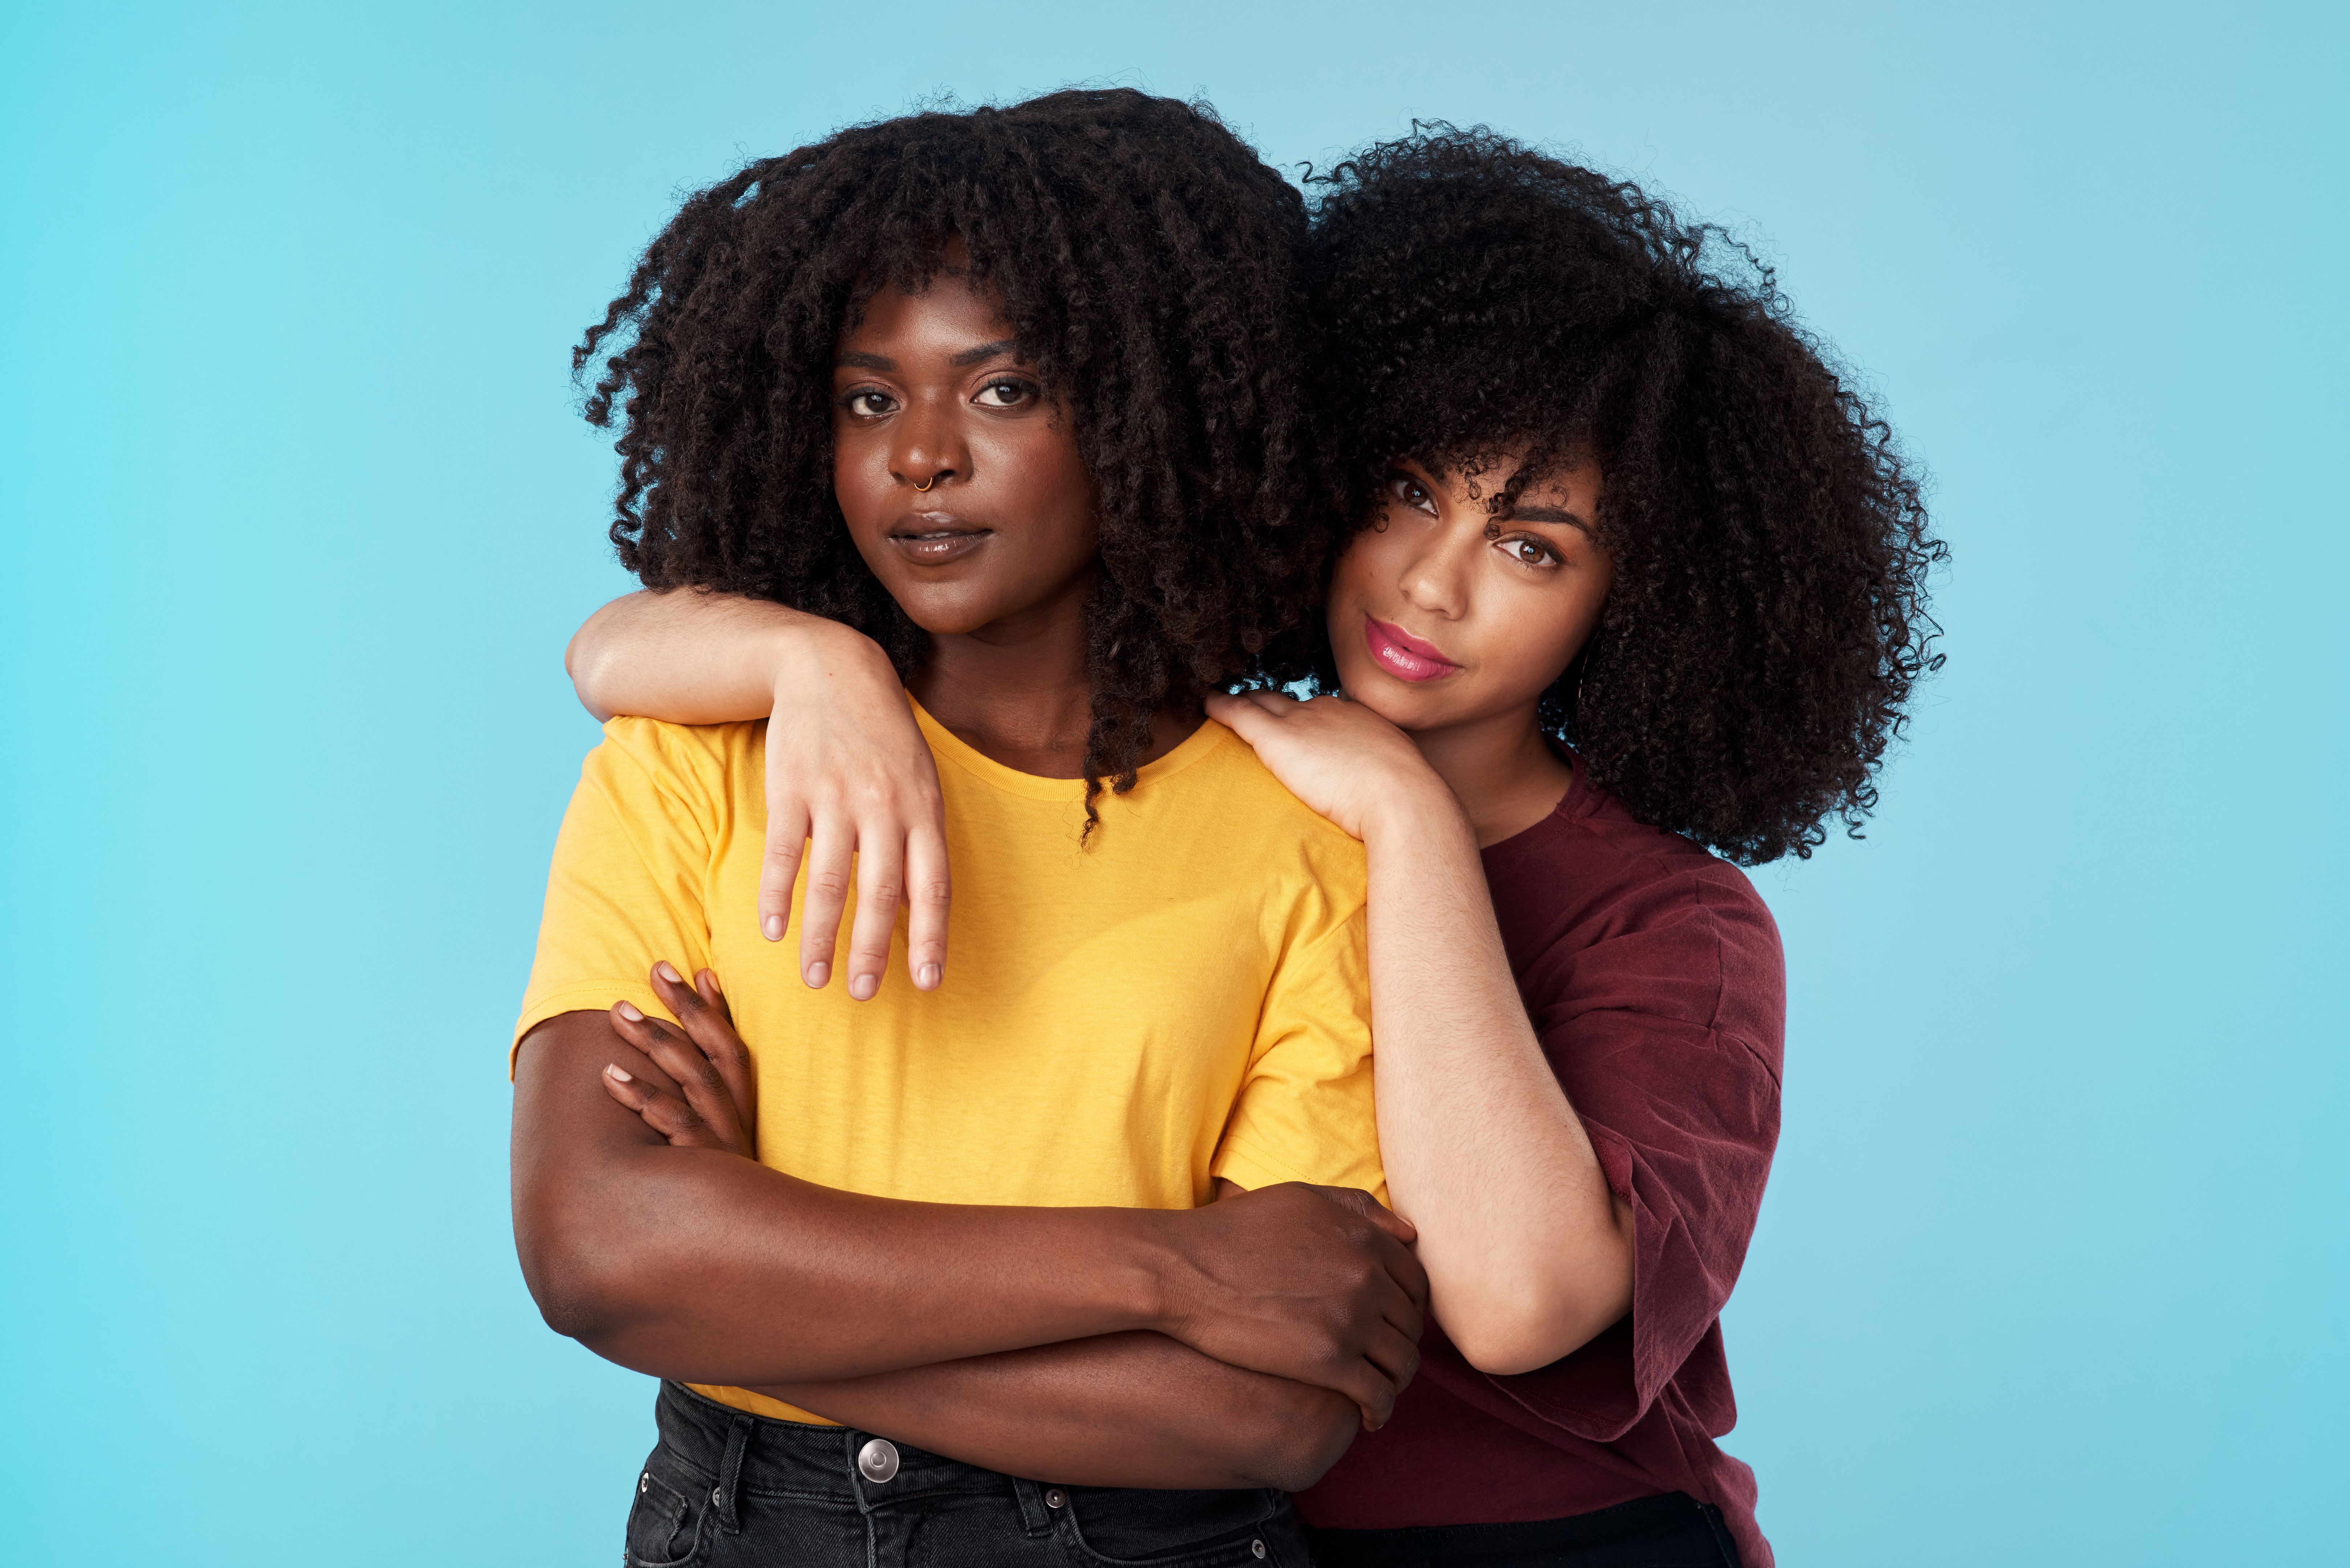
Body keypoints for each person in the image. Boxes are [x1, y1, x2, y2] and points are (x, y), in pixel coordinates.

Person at [572, 127, 1944, 1568]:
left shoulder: (1667, 925)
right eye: (1407, 491)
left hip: (1550, 1539)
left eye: (1530, 547)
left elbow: (1515, 1307)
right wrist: (814, 665)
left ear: (1643, 603)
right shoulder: (1203, 768)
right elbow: (608, 653)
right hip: (1191, 1525)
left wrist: (1408, 823)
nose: (1433, 581)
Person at [511, 90, 1432, 1568]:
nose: (920, 457)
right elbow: (597, 1248)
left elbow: (1272, 1412)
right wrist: (1175, 1268)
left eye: (1001, 391)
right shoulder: (694, 759)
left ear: (1149, 409)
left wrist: (744, 1275)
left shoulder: (1302, 831)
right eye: (867, 399)